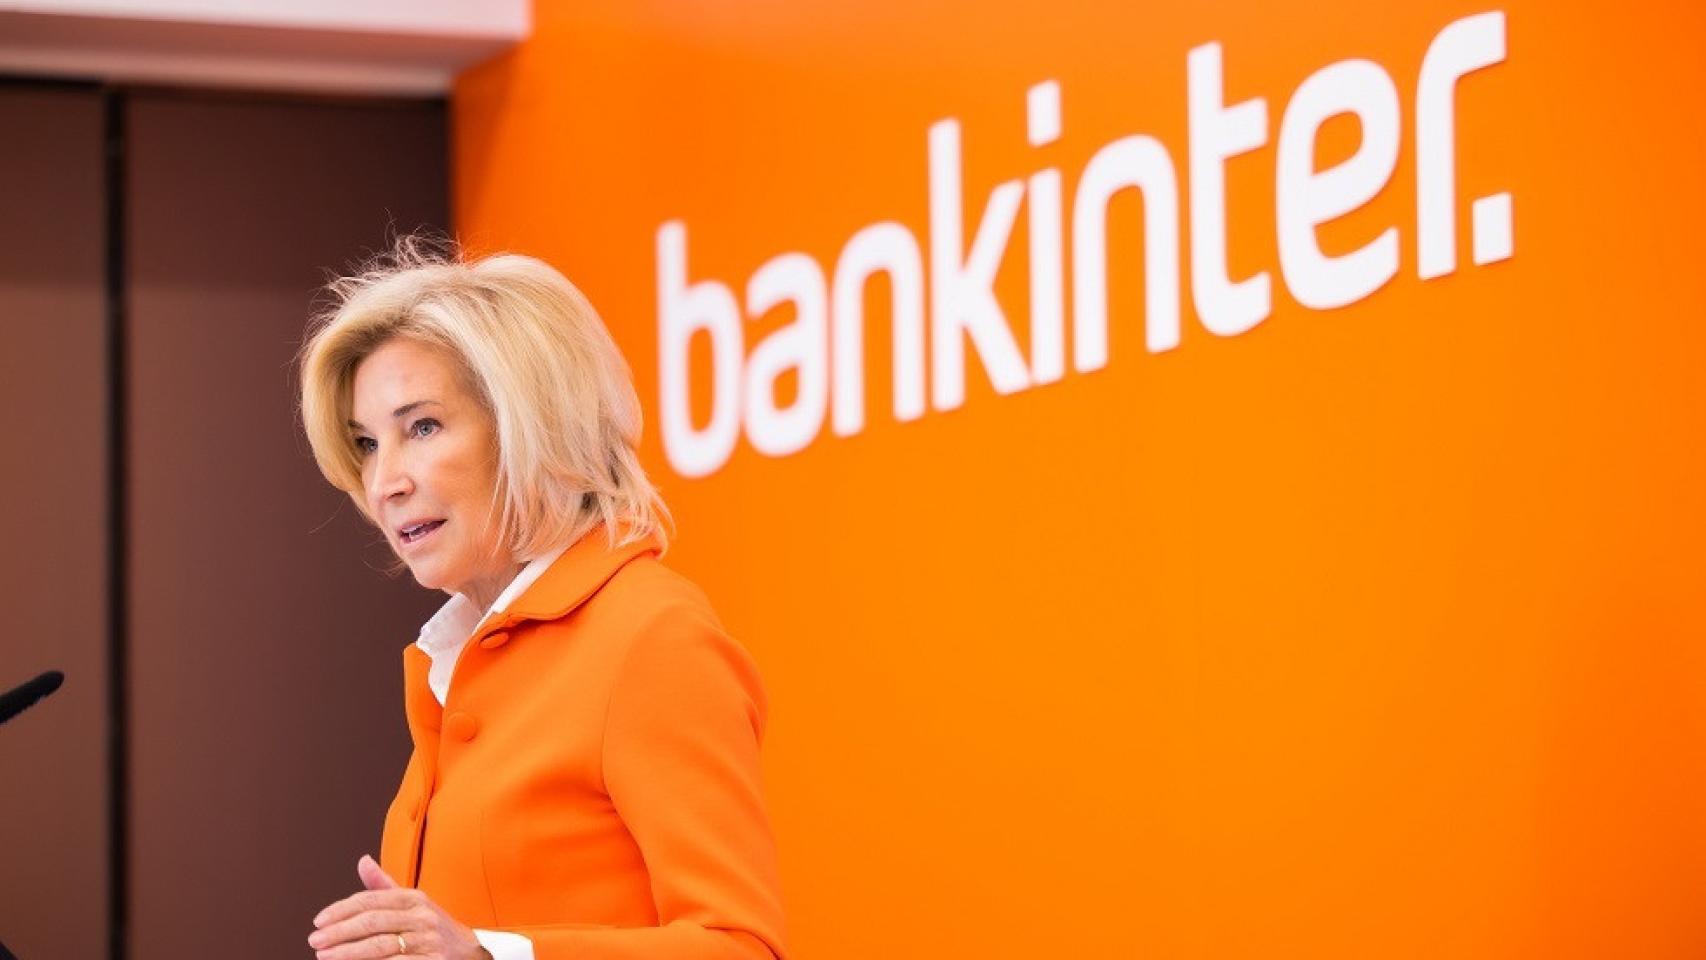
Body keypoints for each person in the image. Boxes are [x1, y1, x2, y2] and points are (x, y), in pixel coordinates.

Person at [295, 240, 787, 960]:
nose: (384, 483)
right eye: (367, 444)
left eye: (422, 427)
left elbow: (741, 947)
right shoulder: (452, 664)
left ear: (530, 425)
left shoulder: (651, 635)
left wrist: (490, 954)